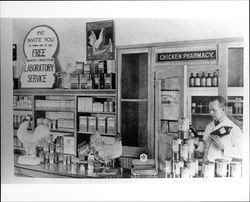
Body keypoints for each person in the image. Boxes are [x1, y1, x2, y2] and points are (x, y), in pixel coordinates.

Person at [195, 96, 243, 162]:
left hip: (221, 168)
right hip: (206, 166)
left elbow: (241, 152)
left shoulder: (234, 129)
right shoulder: (209, 126)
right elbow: (206, 149)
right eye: (209, 110)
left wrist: (224, 148)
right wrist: (197, 144)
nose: (211, 113)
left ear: (223, 109)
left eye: (213, 110)